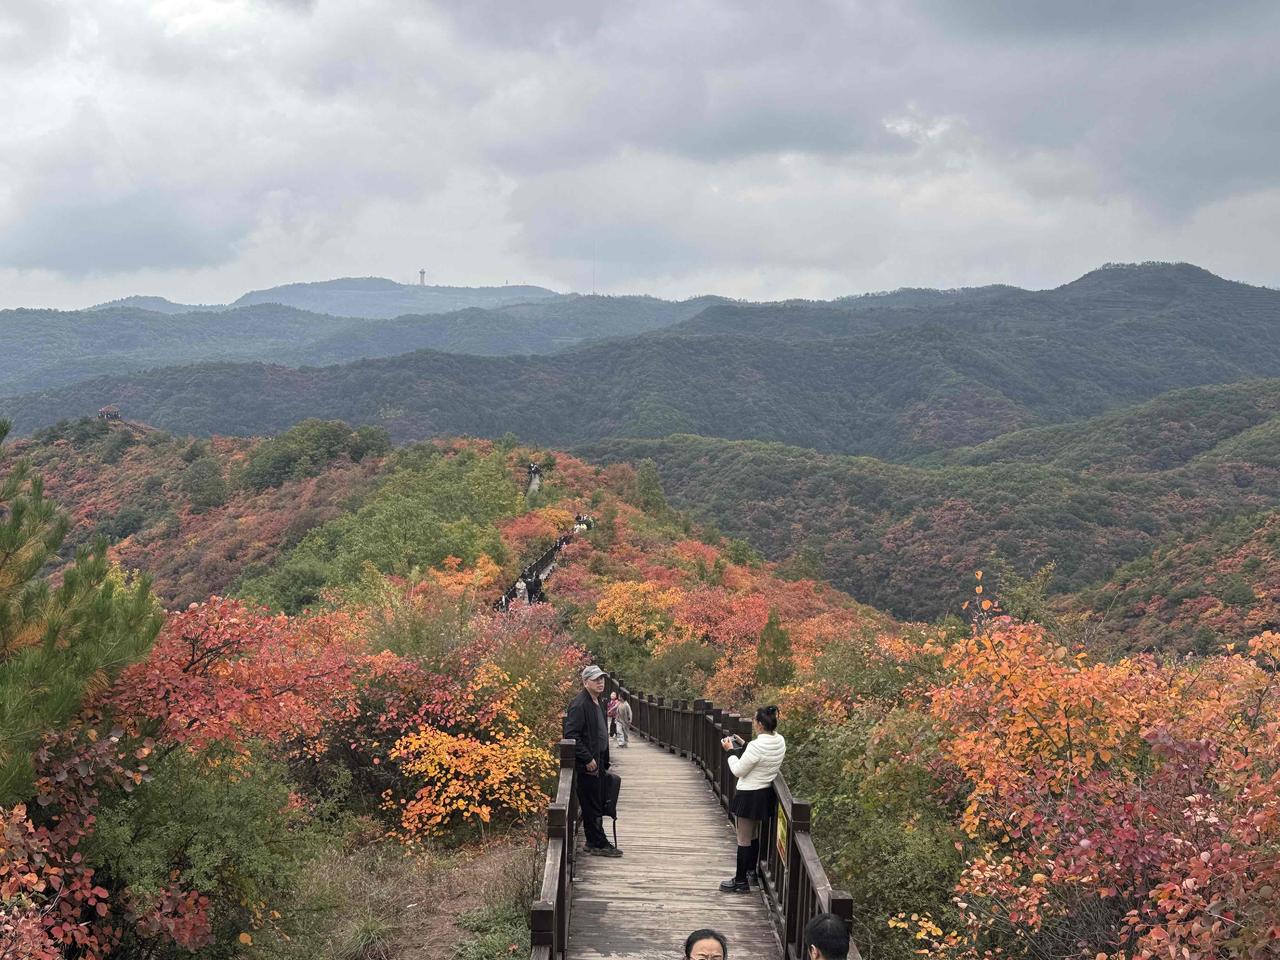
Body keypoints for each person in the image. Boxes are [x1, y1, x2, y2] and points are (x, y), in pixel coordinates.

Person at [718, 704, 785, 893]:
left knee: (743, 839)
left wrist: (730, 750)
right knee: (754, 836)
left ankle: (740, 882)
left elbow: (738, 770)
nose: (754, 722)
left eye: (755, 720)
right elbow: (763, 757)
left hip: (748, 795)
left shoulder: (757, 745)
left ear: (760, 725)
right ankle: (751, 873)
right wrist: (744, 744)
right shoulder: (779, 740)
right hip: (764, 794)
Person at [564, 665, 622, 857]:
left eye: (602, 678)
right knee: (591, 804)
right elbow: (571, 734)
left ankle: (595, 841)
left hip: (598, 762)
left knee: (597, 801)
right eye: (596, 679)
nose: (600, 682)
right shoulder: (579, 704)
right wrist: (587, 757)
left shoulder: (598, 701)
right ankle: (597, 843)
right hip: (588, 765)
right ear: (585, 682)